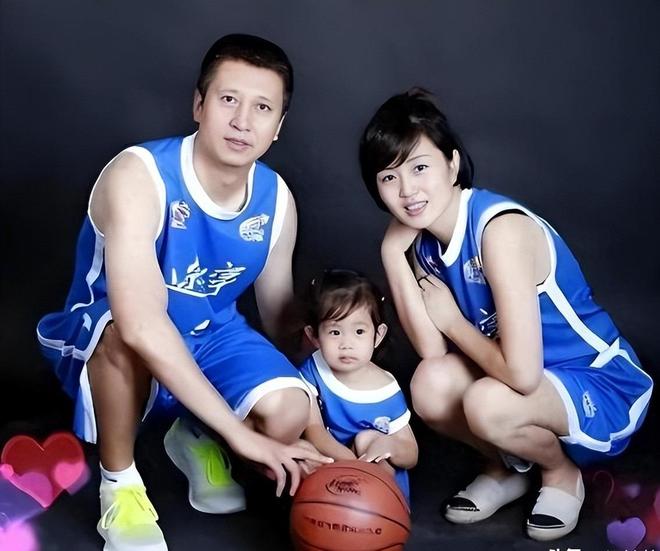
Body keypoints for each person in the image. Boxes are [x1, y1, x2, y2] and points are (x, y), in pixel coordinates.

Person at [36, 34, 331, 551]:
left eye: (262, 108)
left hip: (208, 335)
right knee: (118, 332)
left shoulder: (277, 199)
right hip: (108, 337)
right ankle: (120, 486)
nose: (243, 121)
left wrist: (332, 411)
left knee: (289, 406)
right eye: (228, 99)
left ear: (279, 126)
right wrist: (242, 434)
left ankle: (194, 434)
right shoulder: (139, 174)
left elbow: (280, 320)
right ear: (199, 104)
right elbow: (141, 325)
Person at [358, 88, 653, 541]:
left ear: (452, 164)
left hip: (597, 381)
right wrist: (392, 253)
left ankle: (559, 473)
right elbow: (432, 351)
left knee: (485, 403)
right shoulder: (424, 243)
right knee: (429, 384)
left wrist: (453, 321)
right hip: (519, 384)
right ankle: (507, 468)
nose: (407, 191)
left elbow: (522, 375)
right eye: (389, 177)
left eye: (419, 167)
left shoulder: (499, 231)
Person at [298, 269, 418, 503]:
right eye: (335, 332)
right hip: (335, 461)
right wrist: (352, 467)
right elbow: (314, 430)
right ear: (314, 336)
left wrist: (389, 447)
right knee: (304, 450)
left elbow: (411, 454)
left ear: (378, 335)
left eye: (359, 331)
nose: (347, 344)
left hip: (378, 480)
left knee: (367, 439)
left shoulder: (386, 390)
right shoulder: (312, 370)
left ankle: (381, 504)